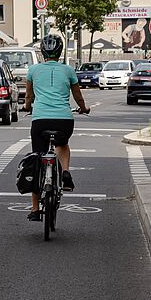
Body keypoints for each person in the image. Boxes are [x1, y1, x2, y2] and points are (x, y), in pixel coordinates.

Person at [23, 34, 90, 222]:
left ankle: (35, 209)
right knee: (62, 144)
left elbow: (29, 97)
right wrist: (83, 108)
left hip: (40, 121)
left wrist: (27, 107)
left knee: (37, 159)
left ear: (43, 52)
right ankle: (66, 172)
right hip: (64, 120)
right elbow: (78, 96)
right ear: (60, 52)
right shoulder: (68, 70)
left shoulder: (33, 70)